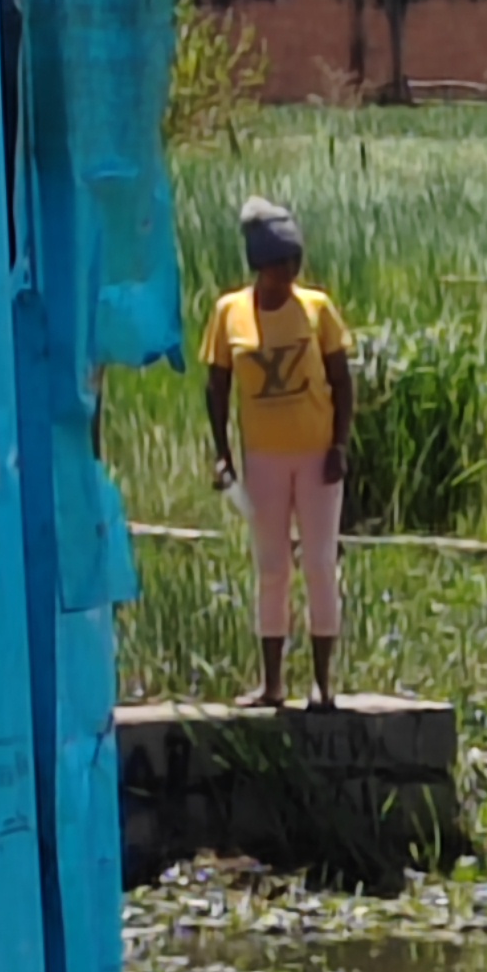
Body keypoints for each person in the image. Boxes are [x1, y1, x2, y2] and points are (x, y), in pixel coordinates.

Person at [202, 197, 355, 712]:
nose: (286, 274)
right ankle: (271, 684)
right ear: (258, 267)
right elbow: (217, 387)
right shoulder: (230, 313)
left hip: (316, 457)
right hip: (263, 457)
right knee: (271, 566)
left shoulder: (317, 309)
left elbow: (341, 381)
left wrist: (339, 445)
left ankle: (323, 684)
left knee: (317, 563)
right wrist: (223, 453)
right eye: (276, 265)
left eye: (293, 264)